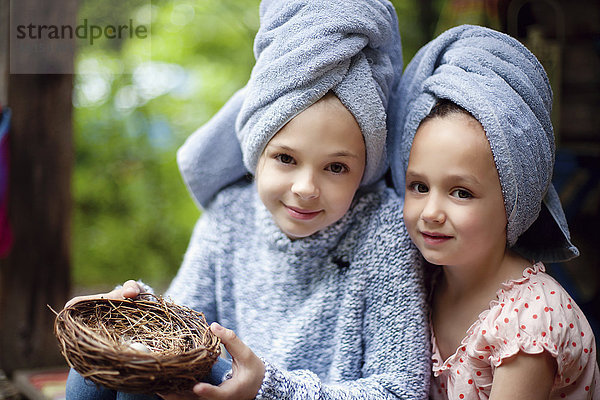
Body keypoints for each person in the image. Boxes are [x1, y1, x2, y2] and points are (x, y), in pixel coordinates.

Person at [65, 1, 431, 399]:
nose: (306, 187)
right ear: (256, 154)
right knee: (108, 360)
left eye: (336, 168)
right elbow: (182, 323)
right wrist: (137, 312)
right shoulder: (230, 215)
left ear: (365, 167)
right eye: (286, 159)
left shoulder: (384, 229)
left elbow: (401, 390)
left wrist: (269, 390)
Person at [387, 24, 600, 399]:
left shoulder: (529, 321)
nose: (431, 212)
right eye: (419, 186)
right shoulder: (423, 280)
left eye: (461, 192)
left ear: (514, 202)